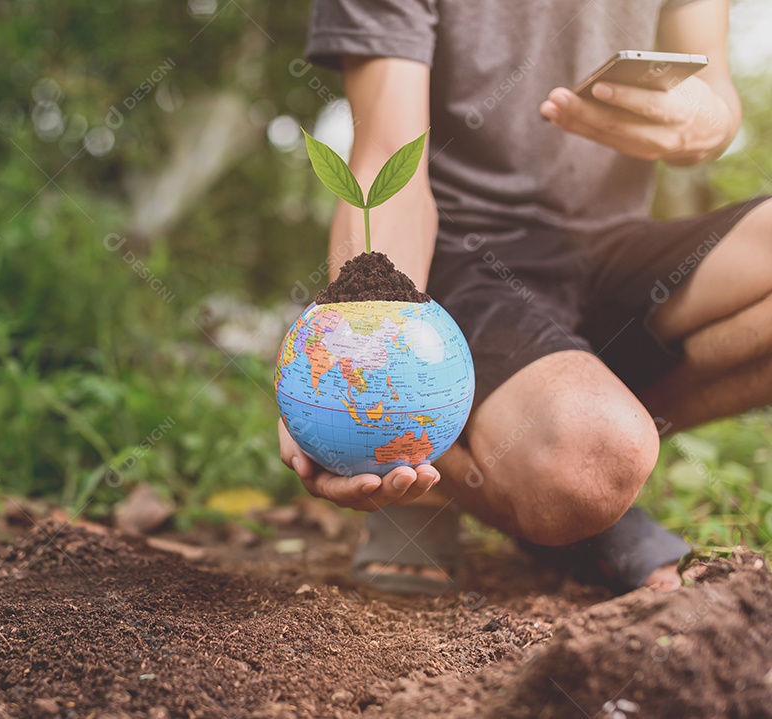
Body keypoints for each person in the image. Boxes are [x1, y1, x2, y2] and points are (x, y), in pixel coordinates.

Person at [278, 0, 772, 596]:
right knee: (591, 462)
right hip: (463, 260)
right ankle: (446, 459)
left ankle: (538, 450)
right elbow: (389, 160)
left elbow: (717, 99)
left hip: (616, 246)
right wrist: (351, 358)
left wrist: (698, 121)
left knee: (590, 460)